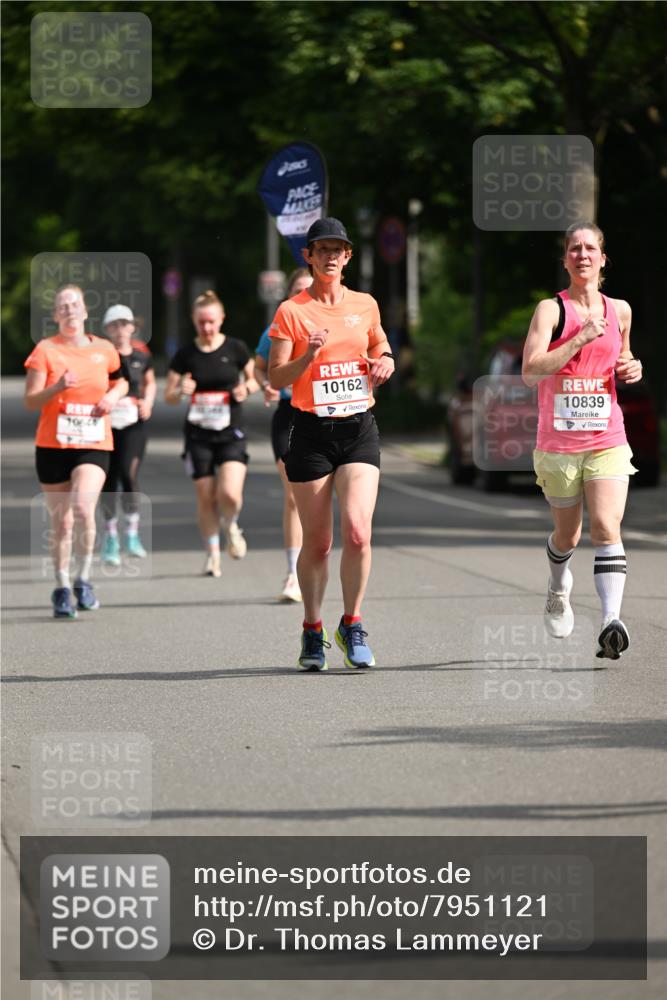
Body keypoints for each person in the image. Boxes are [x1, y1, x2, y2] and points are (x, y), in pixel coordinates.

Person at [268, 217, 395, 671]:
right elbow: (276, 376)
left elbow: (381, 348)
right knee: (319, 543)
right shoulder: (292, 311)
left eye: (337, 250)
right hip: (311, 433)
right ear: (309, 256)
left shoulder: (365, 304)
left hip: (359, 427)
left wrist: (385, 363)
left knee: (359, 531)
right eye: (320, 250)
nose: (329, 257)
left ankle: (353, 623)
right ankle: (312, 628)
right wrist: (308, 354)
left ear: (347, 257)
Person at [522, 222, 642, 659]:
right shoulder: (551, 311)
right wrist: (578, 339)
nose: (583, 255)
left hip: (607, 435)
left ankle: (611, 620)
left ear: (603, 258)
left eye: (591, 248)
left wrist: (633, 368)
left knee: (608, 526)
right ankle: (558, 586)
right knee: (568, 536)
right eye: (575, 249)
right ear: (565, 259)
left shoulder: (620, 310)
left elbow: (622, 356)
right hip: (558, 444)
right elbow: (531, 371)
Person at [24, 284, 128, 617]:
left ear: (85, 311)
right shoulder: (45, 350)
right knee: (62, 522)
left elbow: (122, 380)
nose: (69, 309)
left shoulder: (105, 349)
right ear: (56, 315)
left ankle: (83, 579)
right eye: (62, 306)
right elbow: (30, 400)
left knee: (84, 509)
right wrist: (57, 387)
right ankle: (62, 586)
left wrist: (113, 397)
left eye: (74, 304)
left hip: (93, 443)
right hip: (53, 445)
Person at [165, 290, 259, 577]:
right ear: (194, 321)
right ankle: (212, 554)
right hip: (198, 434)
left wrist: (247, 389)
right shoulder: (185, 354)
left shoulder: (235, 348)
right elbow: (169, 395)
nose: (207, 328)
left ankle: (231, 525)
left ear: (221, 319)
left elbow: (255, 378)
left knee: (229, 493)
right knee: (205, 496)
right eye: (201, 322)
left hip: (231, 431)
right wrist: (180, 390)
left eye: (212, 322)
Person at [254, 267, 312, 603]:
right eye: (298, 290)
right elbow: (259, 364)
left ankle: (312, 565)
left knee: (316, 499)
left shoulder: (331, 325)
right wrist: (265, 384)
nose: (304, 295)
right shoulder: (277, 328)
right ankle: (292, 575)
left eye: (309, 289)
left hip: (321, 415)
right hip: (289, 416)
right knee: (293, 495)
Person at [100, 304, 156, 564]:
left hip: (133, 423)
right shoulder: (100, 356)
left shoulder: (141, 355)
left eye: (125, 324)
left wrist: (148, 401)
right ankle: (111, 537)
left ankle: (132, 533)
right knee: (109, 479)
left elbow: (150, 382)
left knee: (128, 473)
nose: (120, 329)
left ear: (133, 327)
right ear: (107, 329)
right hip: (105, 425)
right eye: (115, 324)